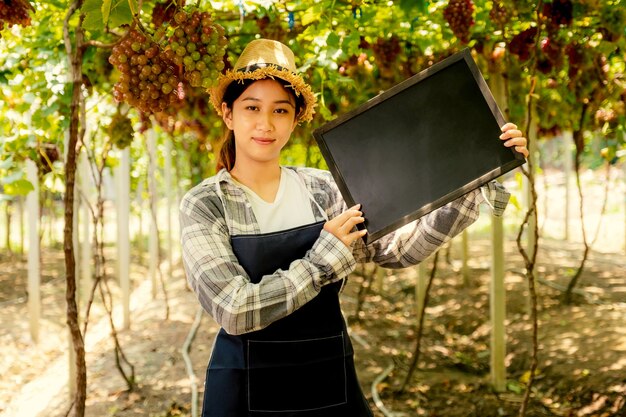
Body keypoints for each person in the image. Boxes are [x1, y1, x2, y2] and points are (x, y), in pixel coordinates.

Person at [180, 38, 529, 417]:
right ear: (229, 115)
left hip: (328, 376)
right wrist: (320, 263)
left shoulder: (322, 190)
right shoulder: (205, 204)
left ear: (295, 119)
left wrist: (475, 172)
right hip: (243, 389)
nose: (266, 124)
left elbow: (396, 250)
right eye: (252, 108)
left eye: (280, 110)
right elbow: (234, 309)